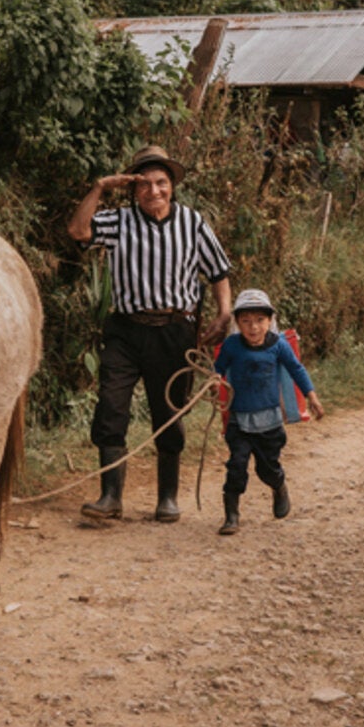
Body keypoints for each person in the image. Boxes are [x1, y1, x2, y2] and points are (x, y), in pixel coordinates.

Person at [68, 144, 233, 524]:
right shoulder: (118, 221)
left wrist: (224, 313)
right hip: (125, 331)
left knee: (169, 412)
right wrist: (98, 188)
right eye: (144, 184)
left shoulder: (192, 223)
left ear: (172, 185)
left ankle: (167, 499)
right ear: (132, 189)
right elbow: (78, 230)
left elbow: (219, 272)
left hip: (175, 332)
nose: (153, 191)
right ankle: (110, 497)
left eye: (160, 183)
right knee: (111, 407)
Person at [212, 288, 324, 535]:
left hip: (270, 421)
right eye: (246, 321)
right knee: (236, 467)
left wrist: (312, 397)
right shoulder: (232, 345)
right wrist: (214, 379)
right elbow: (218, 368)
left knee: (267, 468)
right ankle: (231, 516)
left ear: (270, 320)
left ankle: (279, 486)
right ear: (237, 322)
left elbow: (297, 369)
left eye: (260, 320)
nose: (253, 328)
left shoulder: (278, 346)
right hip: (239, 420)